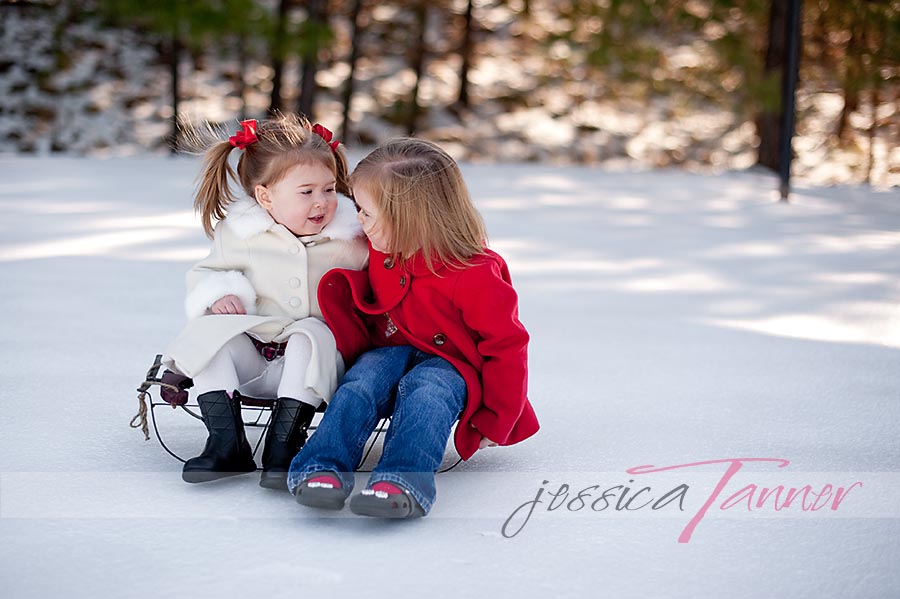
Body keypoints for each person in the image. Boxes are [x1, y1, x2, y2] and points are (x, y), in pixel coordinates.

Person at [286, 138, 539, 518]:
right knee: (362, 381)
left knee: (428, 391)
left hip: (453, 364)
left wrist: (497, 416)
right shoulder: (378, 245)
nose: (358, 220)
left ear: (408, 220)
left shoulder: (474, 272)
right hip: (390, 350)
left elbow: (506, 345)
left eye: (366, 212)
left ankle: (403, 480)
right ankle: (321, 465)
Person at [162, 114, 368, 489]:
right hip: (254, 365)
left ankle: (284, 448)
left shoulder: (351, 240)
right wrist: (221, 293)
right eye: (306, 192)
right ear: (265, 196)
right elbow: (209, 271)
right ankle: (226, 444)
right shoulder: (241, 233)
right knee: (211, 333)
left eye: (328, 189)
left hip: (315, 372)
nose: (322, 202)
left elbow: (379, 291)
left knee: (310, 332)